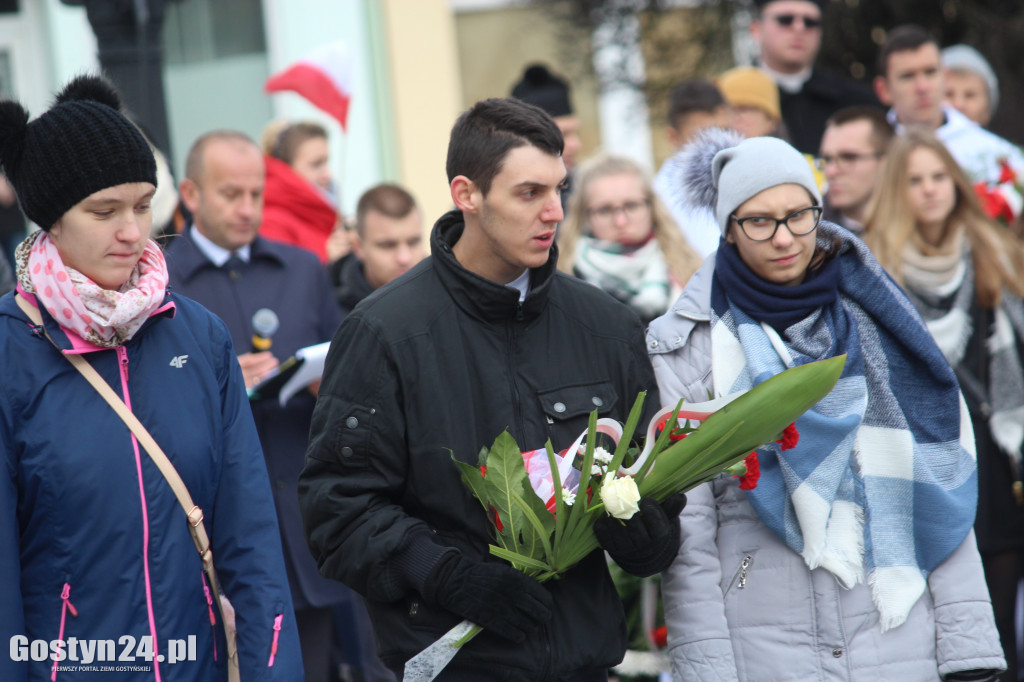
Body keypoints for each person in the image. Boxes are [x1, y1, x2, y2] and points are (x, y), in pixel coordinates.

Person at [299, 97, 680, 680]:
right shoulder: (386, 333)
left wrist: (644, 533)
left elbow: (658, 490)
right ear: (467, 194)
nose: (554, 212)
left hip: (586, 662)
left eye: (560, 189)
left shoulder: (607, 326)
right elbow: (337, 511)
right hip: (456, 664)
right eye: (529, 193)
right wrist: (444, 572)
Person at [647, 128, 1005, 681]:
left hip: (899, 633)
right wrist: (706, 671)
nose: (785, 236)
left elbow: (940, 479)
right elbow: (690, 534)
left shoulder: (883, 316)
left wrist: (970, 649)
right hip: (763, 643)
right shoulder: (689, 347)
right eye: (759, 220)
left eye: (799, 214)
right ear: (729, 230)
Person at [0, 76, 302, 680]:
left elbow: (249, 540)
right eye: (104, 210)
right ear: (51, 220)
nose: (133, 232)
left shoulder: (199, 335)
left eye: (142, 205)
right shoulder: (9, 350)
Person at [164, 130, 375, 682]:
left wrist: (323, 382)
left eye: (256, 194)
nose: (247, 208)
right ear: (191, 193)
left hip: (308, 526)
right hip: (215, 531)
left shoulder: (302, 269)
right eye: (231, 194)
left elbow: (350, 383)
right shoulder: (158, 280)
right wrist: (220, 378)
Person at [863, 129, 1024, 682]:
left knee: (1002, 624)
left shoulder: (993, 251)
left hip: (1000, 460)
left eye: (938, 177)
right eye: (914, 180)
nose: (929, 191)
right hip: (927, 460)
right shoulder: (876, 269)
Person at [874, 24, 1024, 190]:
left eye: (930, 72)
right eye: (908, 76)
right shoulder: (868, 151)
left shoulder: (996, 154)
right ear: (884, 89)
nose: (922, 87)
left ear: (945, 77)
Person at [558, 154, 702, 323]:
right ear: (584, 215)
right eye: (605, 210)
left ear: (652, 207)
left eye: (631, 206)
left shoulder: (691, 275)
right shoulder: (561, 282)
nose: (621, 221)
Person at [749, 0, 879, 155]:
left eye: (810, 22)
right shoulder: (730, 98)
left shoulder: (858, 101)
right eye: (785, 20)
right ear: (757, 29)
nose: (799, 28)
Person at [654, 80, 732, 258]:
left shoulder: (747, 177)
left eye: (725, 131)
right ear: (674, 138)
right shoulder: (659, 200)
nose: (717, 145)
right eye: (702, 137)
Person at [330, 183, 425, 314]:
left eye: (413, 242)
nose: (404, 258)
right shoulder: (330, 313)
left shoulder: (448, 296)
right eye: (387, 245)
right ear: (359, 246)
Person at [259, 120, 342, 263]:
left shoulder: (318, 214)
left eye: (326, 162)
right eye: (316, 164)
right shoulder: (272, 221)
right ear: (285, 169)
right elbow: (283, 282)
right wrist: (330, 264)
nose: (328, 175)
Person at [511, 63, 583, 210]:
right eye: (562, 135)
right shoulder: (490, 200)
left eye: (575, 133)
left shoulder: (587, 190)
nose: (575, 144)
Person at [817, 106, 894, 233]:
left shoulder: (923, 225)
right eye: (827, 159)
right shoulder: (812, 234)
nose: (831, 171)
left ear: (887, 162)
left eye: (849, 157)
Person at [716, 65, 785, 140]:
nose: (735, 119)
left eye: (744, 110)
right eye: (727, 111)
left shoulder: (786, 151)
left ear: (770, 120)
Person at [942, 44, 999, 129]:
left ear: (987, 110)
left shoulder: (997, 143)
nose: (959, 105)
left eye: (969, 95)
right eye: (949, 94)